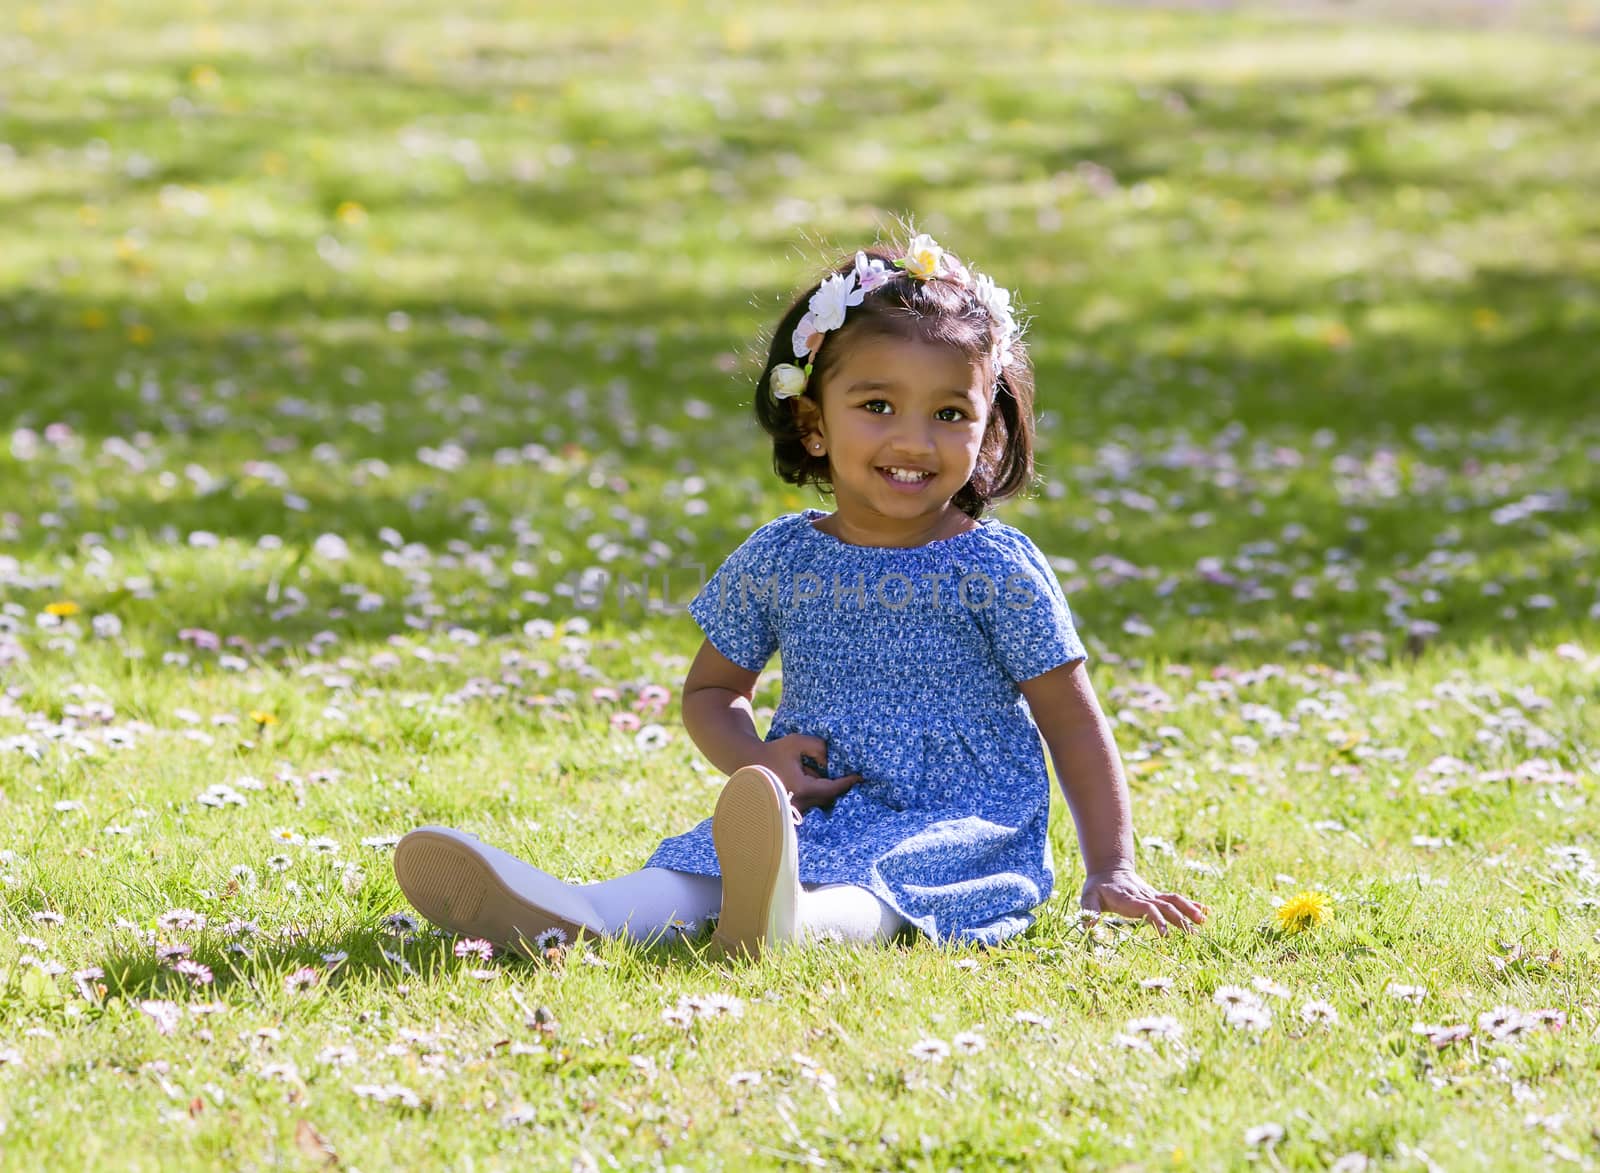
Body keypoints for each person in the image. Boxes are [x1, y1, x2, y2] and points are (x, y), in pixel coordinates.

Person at [394, 231, 1208, 958]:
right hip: (817, 809)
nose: (912, 439)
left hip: (959, 819)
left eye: (950, 412)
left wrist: (1113, 868)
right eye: (877, 405)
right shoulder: (782, 555)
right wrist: (756, 764)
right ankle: (575, 912)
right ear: (814, 422)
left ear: (986, 431)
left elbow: (1072, 719)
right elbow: (713, 689)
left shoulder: (994, 566)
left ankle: (794, 925)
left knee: (882, 892)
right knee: (696, 869)